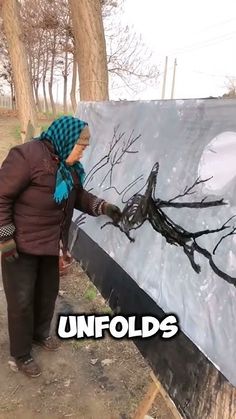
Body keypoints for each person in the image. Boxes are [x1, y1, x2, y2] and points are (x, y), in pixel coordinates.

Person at [0, 115, 121, 378]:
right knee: (21, 301)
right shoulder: (26, 156)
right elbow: (2, 195)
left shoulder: (68, 168)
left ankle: (40, 334)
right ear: (66, 139)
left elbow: (77, 195)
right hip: (20, 245)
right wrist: (5, 237)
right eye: (81, 146)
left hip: (50, 243)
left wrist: (104, 207)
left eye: (85, 147)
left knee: (47, 293)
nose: (82, 152)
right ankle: (21, 354)